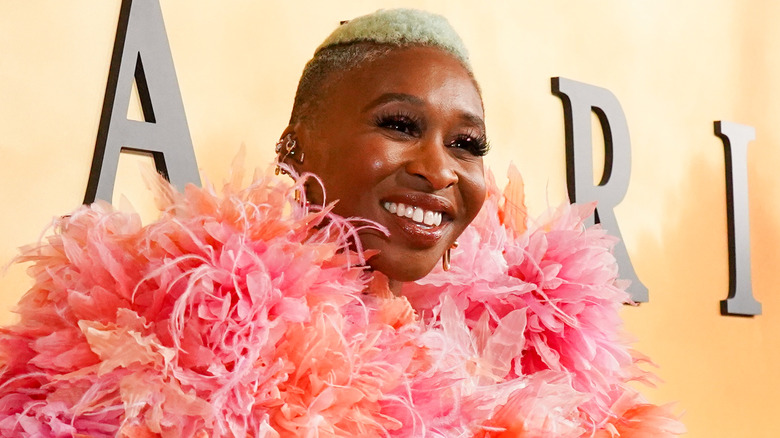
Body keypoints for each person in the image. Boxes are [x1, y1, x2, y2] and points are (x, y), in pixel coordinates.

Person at [0, 8, 683, 437]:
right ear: (296, 145)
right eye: (399, 125)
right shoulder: (173, 331)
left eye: (466, 144)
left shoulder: (521, 362)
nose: (440, 170)